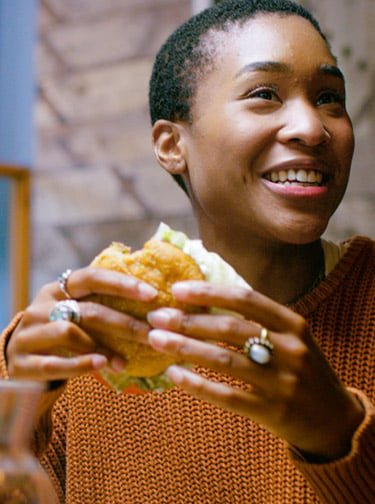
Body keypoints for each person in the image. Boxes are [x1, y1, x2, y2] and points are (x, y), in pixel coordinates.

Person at [1, 0, 374, 502]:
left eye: (330, 97)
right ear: (171, 145)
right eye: (264, 94)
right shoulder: (95, 348)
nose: (313, 127)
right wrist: (17, 398)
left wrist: (341, 435)